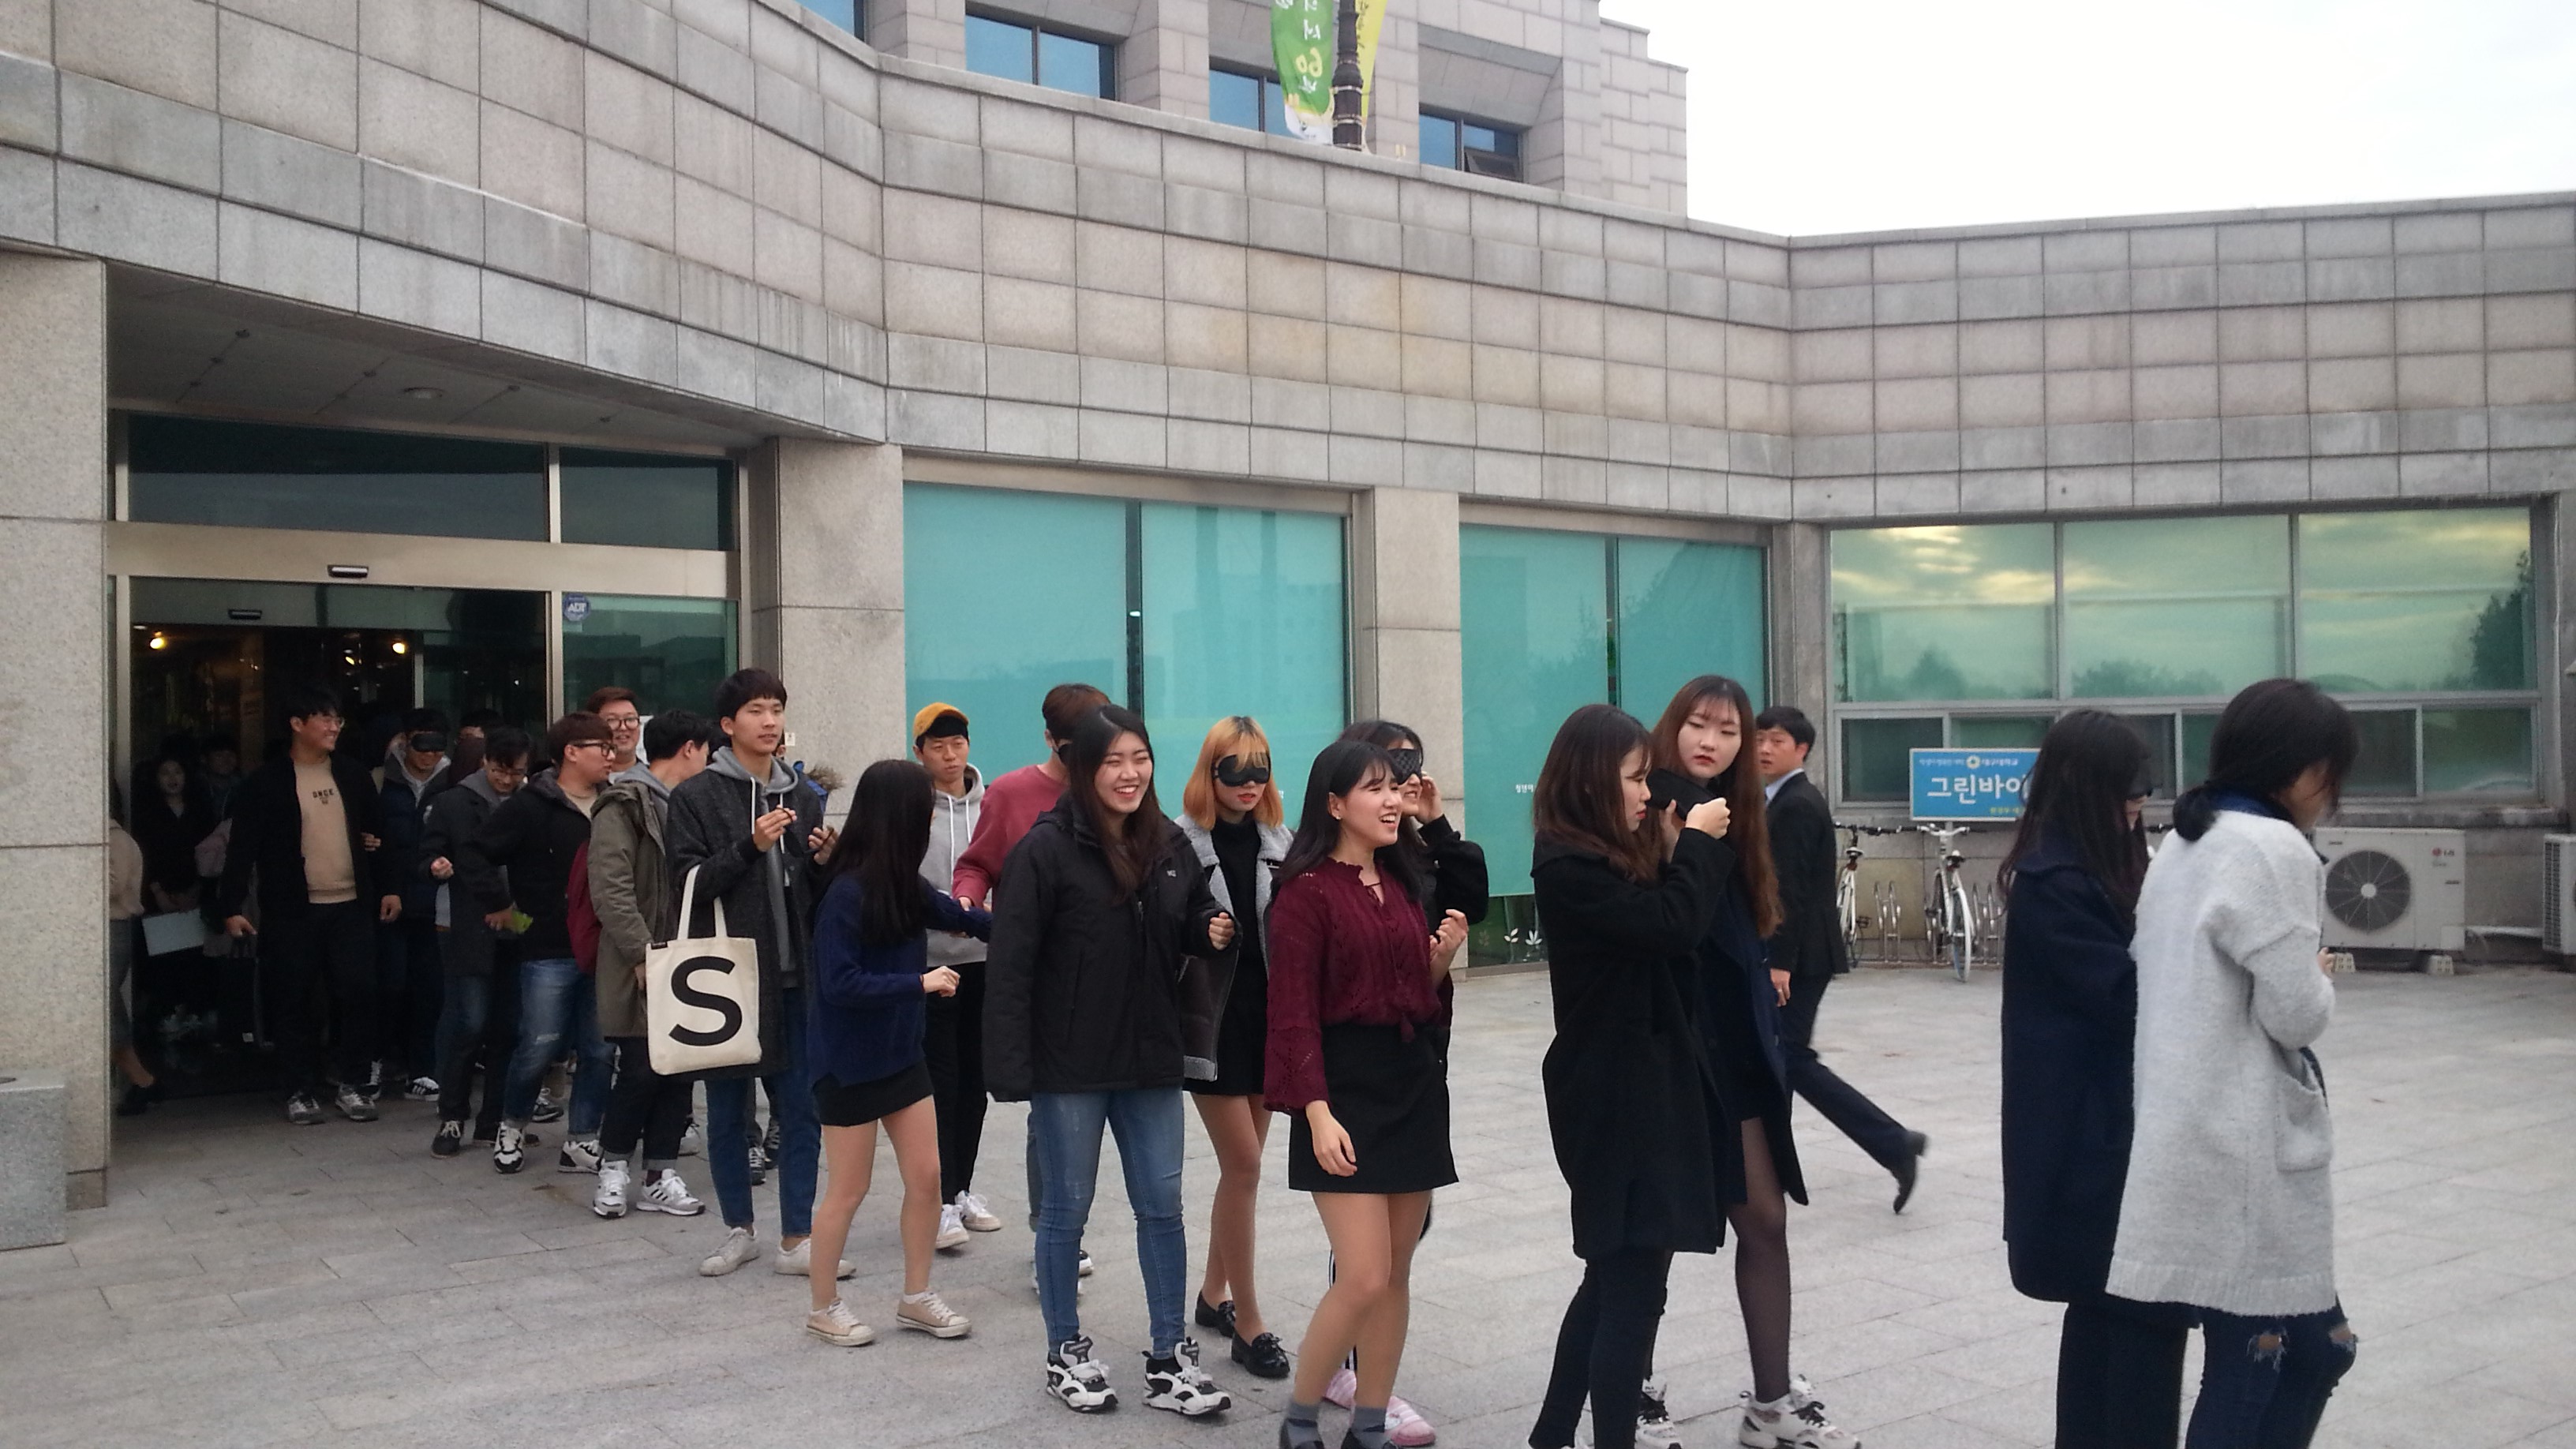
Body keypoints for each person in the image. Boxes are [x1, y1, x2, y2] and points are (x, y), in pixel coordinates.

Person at [2111, 680, 2360, 1448]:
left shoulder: (2189, 840)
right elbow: (2295, 1015)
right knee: (2265, 1353)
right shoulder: (2272, 847)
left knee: (2313, 1347)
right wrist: (2318, 975)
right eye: (2331, 773)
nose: (2332, 792)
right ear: (2304, 768)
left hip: (2188, 1125)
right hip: (2241, 1141)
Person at [985, 704, 1238, 1419]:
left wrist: (1209, 928)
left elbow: (1190, 913)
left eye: (1140, 759)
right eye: (1113, 762)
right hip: (1070, 1063)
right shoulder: (1044, 851)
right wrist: (1009, 1067)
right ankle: (1064, 1351)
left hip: (1152, 1056)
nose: (1130, 775)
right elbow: (1011, 965)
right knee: (1065, 1212)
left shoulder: (1167, 841)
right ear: (1084, 769)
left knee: (1162, 1208)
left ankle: (1169, 1358)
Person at [1646, 676, 1853, 1449]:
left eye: (1728, 731)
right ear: (1674, 726)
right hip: (1671, 1049)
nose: (1712, 741)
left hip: (1735, 1047)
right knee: (1655, 1229)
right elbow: (1663, 927)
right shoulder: (1652, 807)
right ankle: (1631, 1387)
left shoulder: (1741, 814)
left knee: (1763, 1217)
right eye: (1699, 724)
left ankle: (1771, 1403)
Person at [1525, 703, 1734, 1449]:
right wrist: (1697, 848)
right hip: (1616, 1096)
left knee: (1614, 1278)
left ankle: (1552, 1435)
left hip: (1638, 1087)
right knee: (1634, 1290)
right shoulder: (1569, 864)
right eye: (1635, 779)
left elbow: (1669, 935)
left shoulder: (1601, 855)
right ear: (1591, 781)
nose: (1648, 793)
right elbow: (1671, 927)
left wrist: (1677, 852)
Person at [1268, 738, 1469, 1449]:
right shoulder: (1304, 893)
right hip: (1342, 1094)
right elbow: (1292, 1012)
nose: (1392, 801)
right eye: (1375, 789)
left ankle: (1371, 1425)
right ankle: (1298, 1421)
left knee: (1395, 1275)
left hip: (1411, 1086)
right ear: (1334, 803)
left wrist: (1440, 963)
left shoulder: (1404, 880)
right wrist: (1316, 1113)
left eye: (1396, 788)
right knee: (1362, 1276)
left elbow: (1416, 998)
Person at [1998, 711, 2188, 1447]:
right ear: (2084, 785)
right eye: (2127, 787)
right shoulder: (2055, 880)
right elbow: (2127, 1000)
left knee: (2111, 1311)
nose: (2139, 800)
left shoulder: (2106, 860)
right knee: (2137, 1311)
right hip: (2095, 1137)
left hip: (2114, 1128)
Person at [1325, 719, 1488, 1446]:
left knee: (1404, 1229)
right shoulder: (1337, 871)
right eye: (1383, 773)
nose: (1398, 785)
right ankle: (1355, 1375)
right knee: (1367, 1238)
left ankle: (1360, 1367)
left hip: (1421, 1049)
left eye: (1407, 768)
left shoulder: (1413, 848)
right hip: (1359, 1066)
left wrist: (1436, 819)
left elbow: (1472, 896)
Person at [803, 758, 994, 1347]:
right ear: (899, 816)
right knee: (849, 1190)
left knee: (928, 1178)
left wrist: (1028, 925)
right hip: (847, 1064)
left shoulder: (903, 885)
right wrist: (919, 983)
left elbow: (960, 917)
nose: (931, 819)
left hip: (901, 1057)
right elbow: (840, 984)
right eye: (924, 809)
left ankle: (916, 1297)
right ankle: (824, 1306)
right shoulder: (846, 893)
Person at [668, 668, 846, 1280]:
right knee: (728, 1110)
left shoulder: (804, 795)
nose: (770, 722)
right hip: (730, 980)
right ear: (727, 724)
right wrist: (749, 846)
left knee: (801, 1109)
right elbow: (686, 883)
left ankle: (798, 1236)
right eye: (756, 711)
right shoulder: (696, 796)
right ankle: (737, 1231)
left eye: (776, 709)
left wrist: (825, 861)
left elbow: (816, 892)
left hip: (797, 977)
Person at [953, 680, 1111, 1276]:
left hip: (1109, 977)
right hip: (1039, 976)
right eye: (1079, 744)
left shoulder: (1118, 787)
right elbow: (977, 863)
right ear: (1050, 739)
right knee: (1051, 1115)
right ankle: (1055, 1234)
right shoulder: (1013, 792)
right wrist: (967, 901)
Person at [1751, 706, 1928, 1210]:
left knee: (1788, 1057)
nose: (1764, 748)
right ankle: (1775, 1166)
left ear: (1802, 749)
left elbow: (1790, 892)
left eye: (1777, 740)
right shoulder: (1778, 799)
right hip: (1800, 955)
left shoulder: (1795, 805)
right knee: (1782, 1059)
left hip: (1799, 959)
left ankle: (1892, 1142)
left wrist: (1779, 963)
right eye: (1759, 739)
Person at [216, 683, 402, 1125]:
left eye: (338, 719)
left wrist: (390, 887)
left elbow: (379, 834)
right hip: (293, 909)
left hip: (351, 903)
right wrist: (231, 906)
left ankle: (353, 1084)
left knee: (359, 993)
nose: (334, 726)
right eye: (325, 718)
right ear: (297, 724)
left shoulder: (352, 775)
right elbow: (242, 848)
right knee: (295, 999)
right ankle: (299, 1089)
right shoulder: (266, 782)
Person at [1176, 716, 1294, 1380]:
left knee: (1241, 1171)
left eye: (1260, 768)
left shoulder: (1281, 839)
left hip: (1268, 1019)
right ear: (1210, 772)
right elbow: (1163, 927)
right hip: (1210, 1023)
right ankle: (1249, 1324)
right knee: (1244, 1166)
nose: (1249, 783)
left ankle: (1212, 1293)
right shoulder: (1180, 842)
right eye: (1235, 770)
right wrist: (1202, 930)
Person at [460, 712, 620, 1175]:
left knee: (599, 1052)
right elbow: (474, 852)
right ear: (571, 752)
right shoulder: (531, 805)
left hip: (606, 948)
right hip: (548, 948)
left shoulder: (615, 803)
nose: (611, 756)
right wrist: (502, 905)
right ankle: (510, 1126)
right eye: (602, 747)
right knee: (537, 1047)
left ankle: (582, 1138)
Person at [587, 710, 717, 1219]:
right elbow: (611, 888)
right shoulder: (625, 803)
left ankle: (661, 1174)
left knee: (680, 1070)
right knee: (641, 1069)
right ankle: (613, 1166)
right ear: (689, 749)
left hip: (690, 958)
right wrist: (643, 953)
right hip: (641, 959)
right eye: (705, 751)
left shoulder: (694, 804)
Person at [912, 702, 1001, 1245]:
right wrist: (948, 914)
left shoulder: (991, 805)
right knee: (940, 1082)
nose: (950, 755)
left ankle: (962, 1189)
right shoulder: (913, 806)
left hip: (984, 961)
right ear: (919, 751)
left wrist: (987, 916)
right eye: (938, 746)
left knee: (975, 1082)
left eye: (958, 744)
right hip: (929, 964)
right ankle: (939, 1200)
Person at [422, 728, 531, 1155]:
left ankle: (494, 1120)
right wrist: (435, 865)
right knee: (468, 1023)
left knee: (509, 1028)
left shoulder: (530, 801)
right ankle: (452, 1116)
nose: (506, 780)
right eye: (500, 771)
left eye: (515, 772)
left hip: (518, 924)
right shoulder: (455, 802)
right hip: (467, 924)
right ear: (485, 762)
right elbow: (430, 853)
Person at [377, 709, 453, 1100]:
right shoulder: (380, 780)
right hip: (387, 900)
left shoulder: (453, 781)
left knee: (430, 989)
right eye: (423, 744)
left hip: (435, 900)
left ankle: (423, 1068)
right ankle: (375, 1061)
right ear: (406, 740)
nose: (430, 754)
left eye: (438, 746)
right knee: (387, 985)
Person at [108, 788, 159, 1117]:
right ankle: (143, 1081)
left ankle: (143, 1081)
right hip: (105, 930)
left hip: (114, 927)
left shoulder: (117, 840)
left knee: (104, 1010)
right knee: (107, 1010)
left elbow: (113, 885)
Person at [587, 687, 645, 776]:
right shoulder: (582, 781)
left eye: (630, 719)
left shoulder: (654, 780)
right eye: (612, 720)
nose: (623, 728)